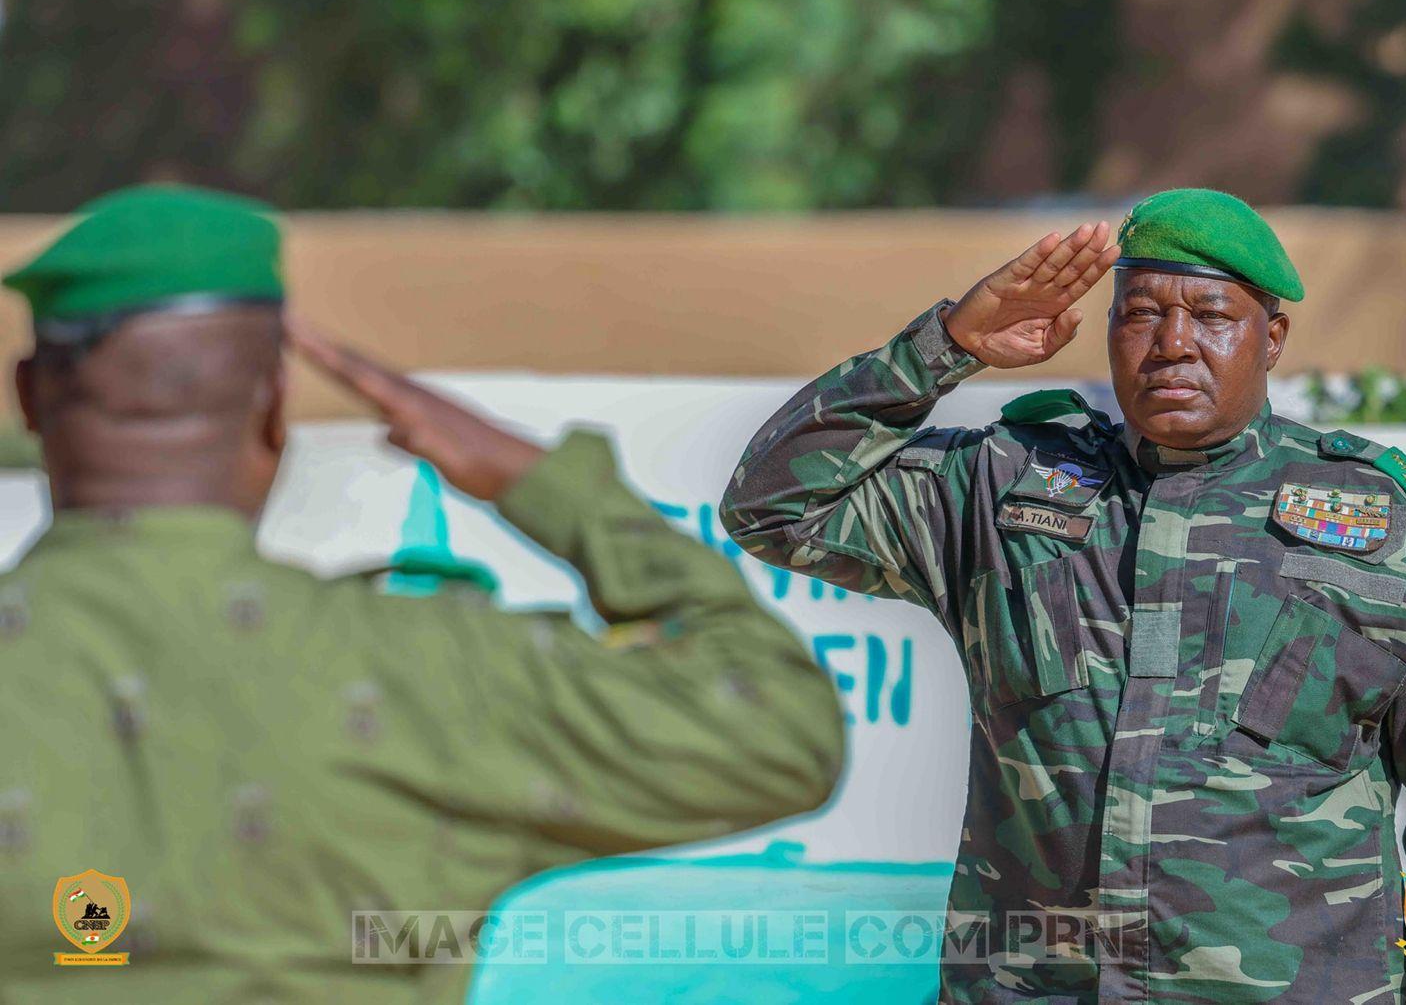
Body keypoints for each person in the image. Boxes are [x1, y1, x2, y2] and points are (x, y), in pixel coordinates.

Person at [0, 185, 844, 1003]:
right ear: (272, 408)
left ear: (32, 397)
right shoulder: (432, 670)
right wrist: (544, 483)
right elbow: (780, 730)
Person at [721, 188, 1406, 1004]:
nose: (1173, 344)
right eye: (1141, 313)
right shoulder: (1002, 489)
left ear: (1273, 340)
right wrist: (945, 345)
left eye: (1213, 316)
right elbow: (770, 504)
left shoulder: (1378, 524)